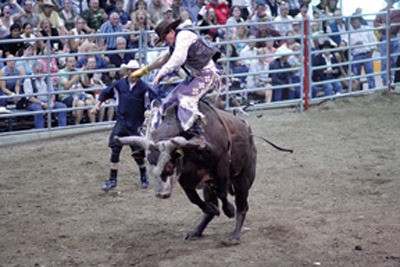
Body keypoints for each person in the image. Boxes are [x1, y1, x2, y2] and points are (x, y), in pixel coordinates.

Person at [130, 19, 221, 135]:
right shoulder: (176, 42)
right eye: (162, 40)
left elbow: (179, 58)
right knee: (167, 103)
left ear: (171, 31)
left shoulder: (183, 35)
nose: (165, 41)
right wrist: (144, 70)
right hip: (194, 76)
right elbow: (163, 59)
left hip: (206, 74)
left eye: (164, 38)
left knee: (186, 99)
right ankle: (155, 135)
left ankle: (193, 129)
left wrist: (161, 73)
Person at [90, 60, 154, 191]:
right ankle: (112, 180)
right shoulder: (119, 85)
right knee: (115, 150)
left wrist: (151, 110)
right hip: (122, 122)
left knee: (138, 153)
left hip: (135, 124)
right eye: (132, 70)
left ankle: (143, 176)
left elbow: (153, 100)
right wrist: (97, 106)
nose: (134, 73)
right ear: (127, 71)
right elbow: (105, 93)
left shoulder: (143, 88)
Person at [23, 61, 67, 129]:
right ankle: (40, 130)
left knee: (62, 107)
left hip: (47, 101)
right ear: (33, 70)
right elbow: (29, 98)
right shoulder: (28, 80)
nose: (39, 73)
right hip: (34, 103)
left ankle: (62, 129)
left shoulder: (47, 78)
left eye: (41, 71)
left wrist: (51, 102)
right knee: (39, 110)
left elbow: (52, 93)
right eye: (37, 71)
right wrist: (42, 103)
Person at [349, 16, 376, 89]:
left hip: (367, 54)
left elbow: (373, 41)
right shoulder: (349, 32)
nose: (354, 23)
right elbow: (348, 47)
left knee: (370, 74)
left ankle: (372, 89)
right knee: (356, 75)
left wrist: (371, 52)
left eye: (355, 21)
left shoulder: (367, 29)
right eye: (353, 22)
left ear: (359, 21)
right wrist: (354, 45)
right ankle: (356, 90)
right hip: (356, 55)